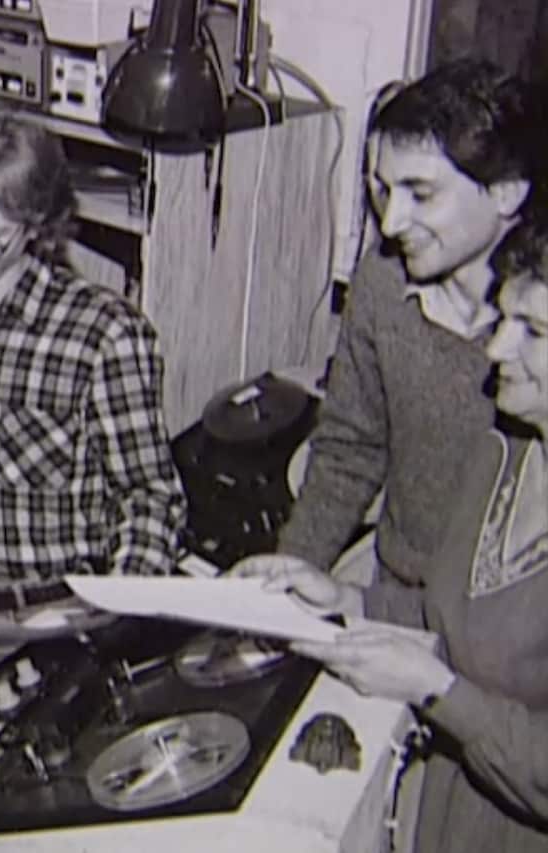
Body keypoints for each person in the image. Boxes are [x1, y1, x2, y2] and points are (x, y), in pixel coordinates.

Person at [238, 215, 548, 852]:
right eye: (503, 319)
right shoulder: (503, 457)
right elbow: (461, 619)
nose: (493, 350)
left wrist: (437, 689)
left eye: (534, 331)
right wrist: (348, 602)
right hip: (452, 807)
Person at [0, 101, 186, 759]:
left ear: (36, 227)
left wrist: (116, 607)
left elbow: (152, 496)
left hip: (51, 629)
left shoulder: (104, 335)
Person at [244, 60, 539, 602]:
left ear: (505, 194)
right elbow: (350, 448)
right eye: (382, 191)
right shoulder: (383, 280)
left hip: (497, 626)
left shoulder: (534, 343)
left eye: (421, 194)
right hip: (391, 582)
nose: (391, 222)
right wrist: (289, 576)